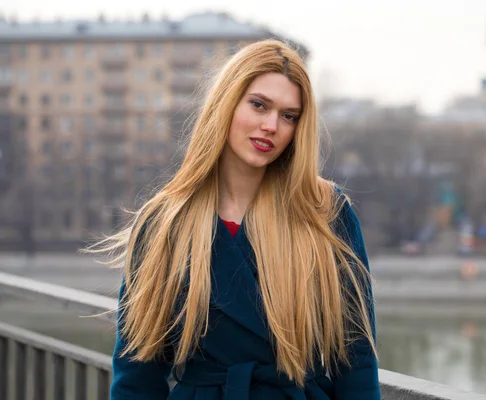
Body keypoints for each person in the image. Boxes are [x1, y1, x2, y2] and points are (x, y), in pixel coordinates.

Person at [91, 39, 380, 400]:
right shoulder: (166, 221)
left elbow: (356, 357)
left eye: (289, 115)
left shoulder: (325, 211)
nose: (272, 125)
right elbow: (138, 370)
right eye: (259, 105)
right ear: (226, 103)